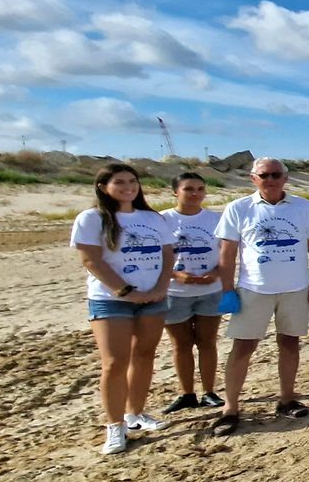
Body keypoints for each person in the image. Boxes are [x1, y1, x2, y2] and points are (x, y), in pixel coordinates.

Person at [213, 158, 309, 436]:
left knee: (290, 343)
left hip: (295, 288)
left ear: (285, 178)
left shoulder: (303, 207)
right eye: (265, 175)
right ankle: (230, 408)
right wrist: (227, 289)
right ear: (254, 179)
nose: (271, 179)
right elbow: (227, 253)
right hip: (254, 289)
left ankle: (286, 399)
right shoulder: (239, 208)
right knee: (243, 347)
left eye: (277, 174)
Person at [74, 163, 175, 454]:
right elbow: (91, 260)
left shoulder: (153, 218)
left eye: (132, 181)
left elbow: (167, 256)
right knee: (114, 363)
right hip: (110, 299)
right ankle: (115, 426)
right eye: (120, 182)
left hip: (153, 298)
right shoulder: (92, 218)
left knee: (144, 356)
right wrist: (125, 291)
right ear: (103, 186)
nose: (128, 187)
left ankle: (135, 414)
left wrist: (159, 288)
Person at [161, 172, 224, 414]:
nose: (195, 193)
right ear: (176, 192)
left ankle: (209, 392)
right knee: (181, 344)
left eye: (200, 188)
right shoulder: (163, 219)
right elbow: (155, 257)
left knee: (207, 342)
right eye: (189, 189)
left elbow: (227, 252)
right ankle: (186, 393)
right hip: (175, 291)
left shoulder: (215, 219)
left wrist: (216, 274)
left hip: (210, 290)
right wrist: (176, 275)